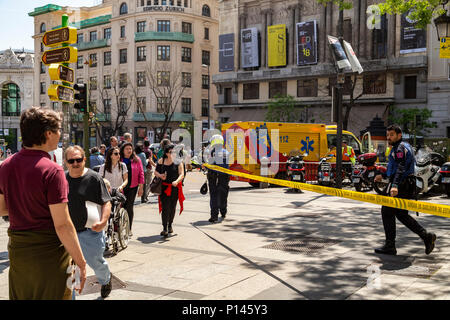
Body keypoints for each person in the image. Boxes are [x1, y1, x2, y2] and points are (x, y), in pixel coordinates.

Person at [0, 107, 86, 300]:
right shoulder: (52, 171)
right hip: (49, 255)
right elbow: (62, 225)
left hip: (19, 254)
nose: (60, 135)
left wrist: (24, 207)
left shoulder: (5, 166)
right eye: (58, 131)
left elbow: (1, 208)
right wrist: (81, 262)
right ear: (48, 134)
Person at [374, 125, 436, 256]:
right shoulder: (400, 147)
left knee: (387, 211)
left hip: (402, 185)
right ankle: (426, 236)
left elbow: (401, 167)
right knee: (400, 214)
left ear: (399, 135)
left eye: (391, 135)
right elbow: (397, 167)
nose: (388, 137)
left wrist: (395, 185)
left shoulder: (400, 147)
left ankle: (390, 245)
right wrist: (384, 176)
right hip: (404, 184)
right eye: (388, 135)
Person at [65, 145, 113, 299]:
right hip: (67, 233)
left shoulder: (94, 178)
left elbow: (106, 202)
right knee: (69, 270)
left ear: (84, 159)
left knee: (97, 263)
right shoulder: (61, 179)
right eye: (71, 160)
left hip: (90, 233)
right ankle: (70, 296)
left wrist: (103, 221)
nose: (75, 163)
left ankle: (106, 279)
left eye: (78, 159)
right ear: (66, 162)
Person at [154, 144, 185, 237]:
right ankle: (164, 228)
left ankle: (170, 224)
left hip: (175, 188)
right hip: (164, 187)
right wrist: (160, 175)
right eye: (171, 152)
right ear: (167, 153)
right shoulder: (161, 160)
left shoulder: (178, 162)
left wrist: (177, 181)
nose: (173, 154)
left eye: (175, 152)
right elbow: (155, 171)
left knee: (172, 207)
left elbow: (182, 174)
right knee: (165, 207)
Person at [120, 142, 144, 234]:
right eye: (127, 149)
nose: (129, 150)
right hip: (121, 187)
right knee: (120, 206)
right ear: (123, 150)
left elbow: (141, 173)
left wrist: (141, 187)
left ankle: (128, 229)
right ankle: (120, 227)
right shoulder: (119, 159)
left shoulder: (136, 159)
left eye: (130, 148)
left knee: (129, 207)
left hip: (132, 187)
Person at [205, 134, 230, 223]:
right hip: (224, 177)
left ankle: (214, 215)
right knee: (223, 195)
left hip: (213, 177)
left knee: (214, 195)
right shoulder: (226, 152)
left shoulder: (211, 153)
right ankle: (223, 212)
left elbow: (209, 165)